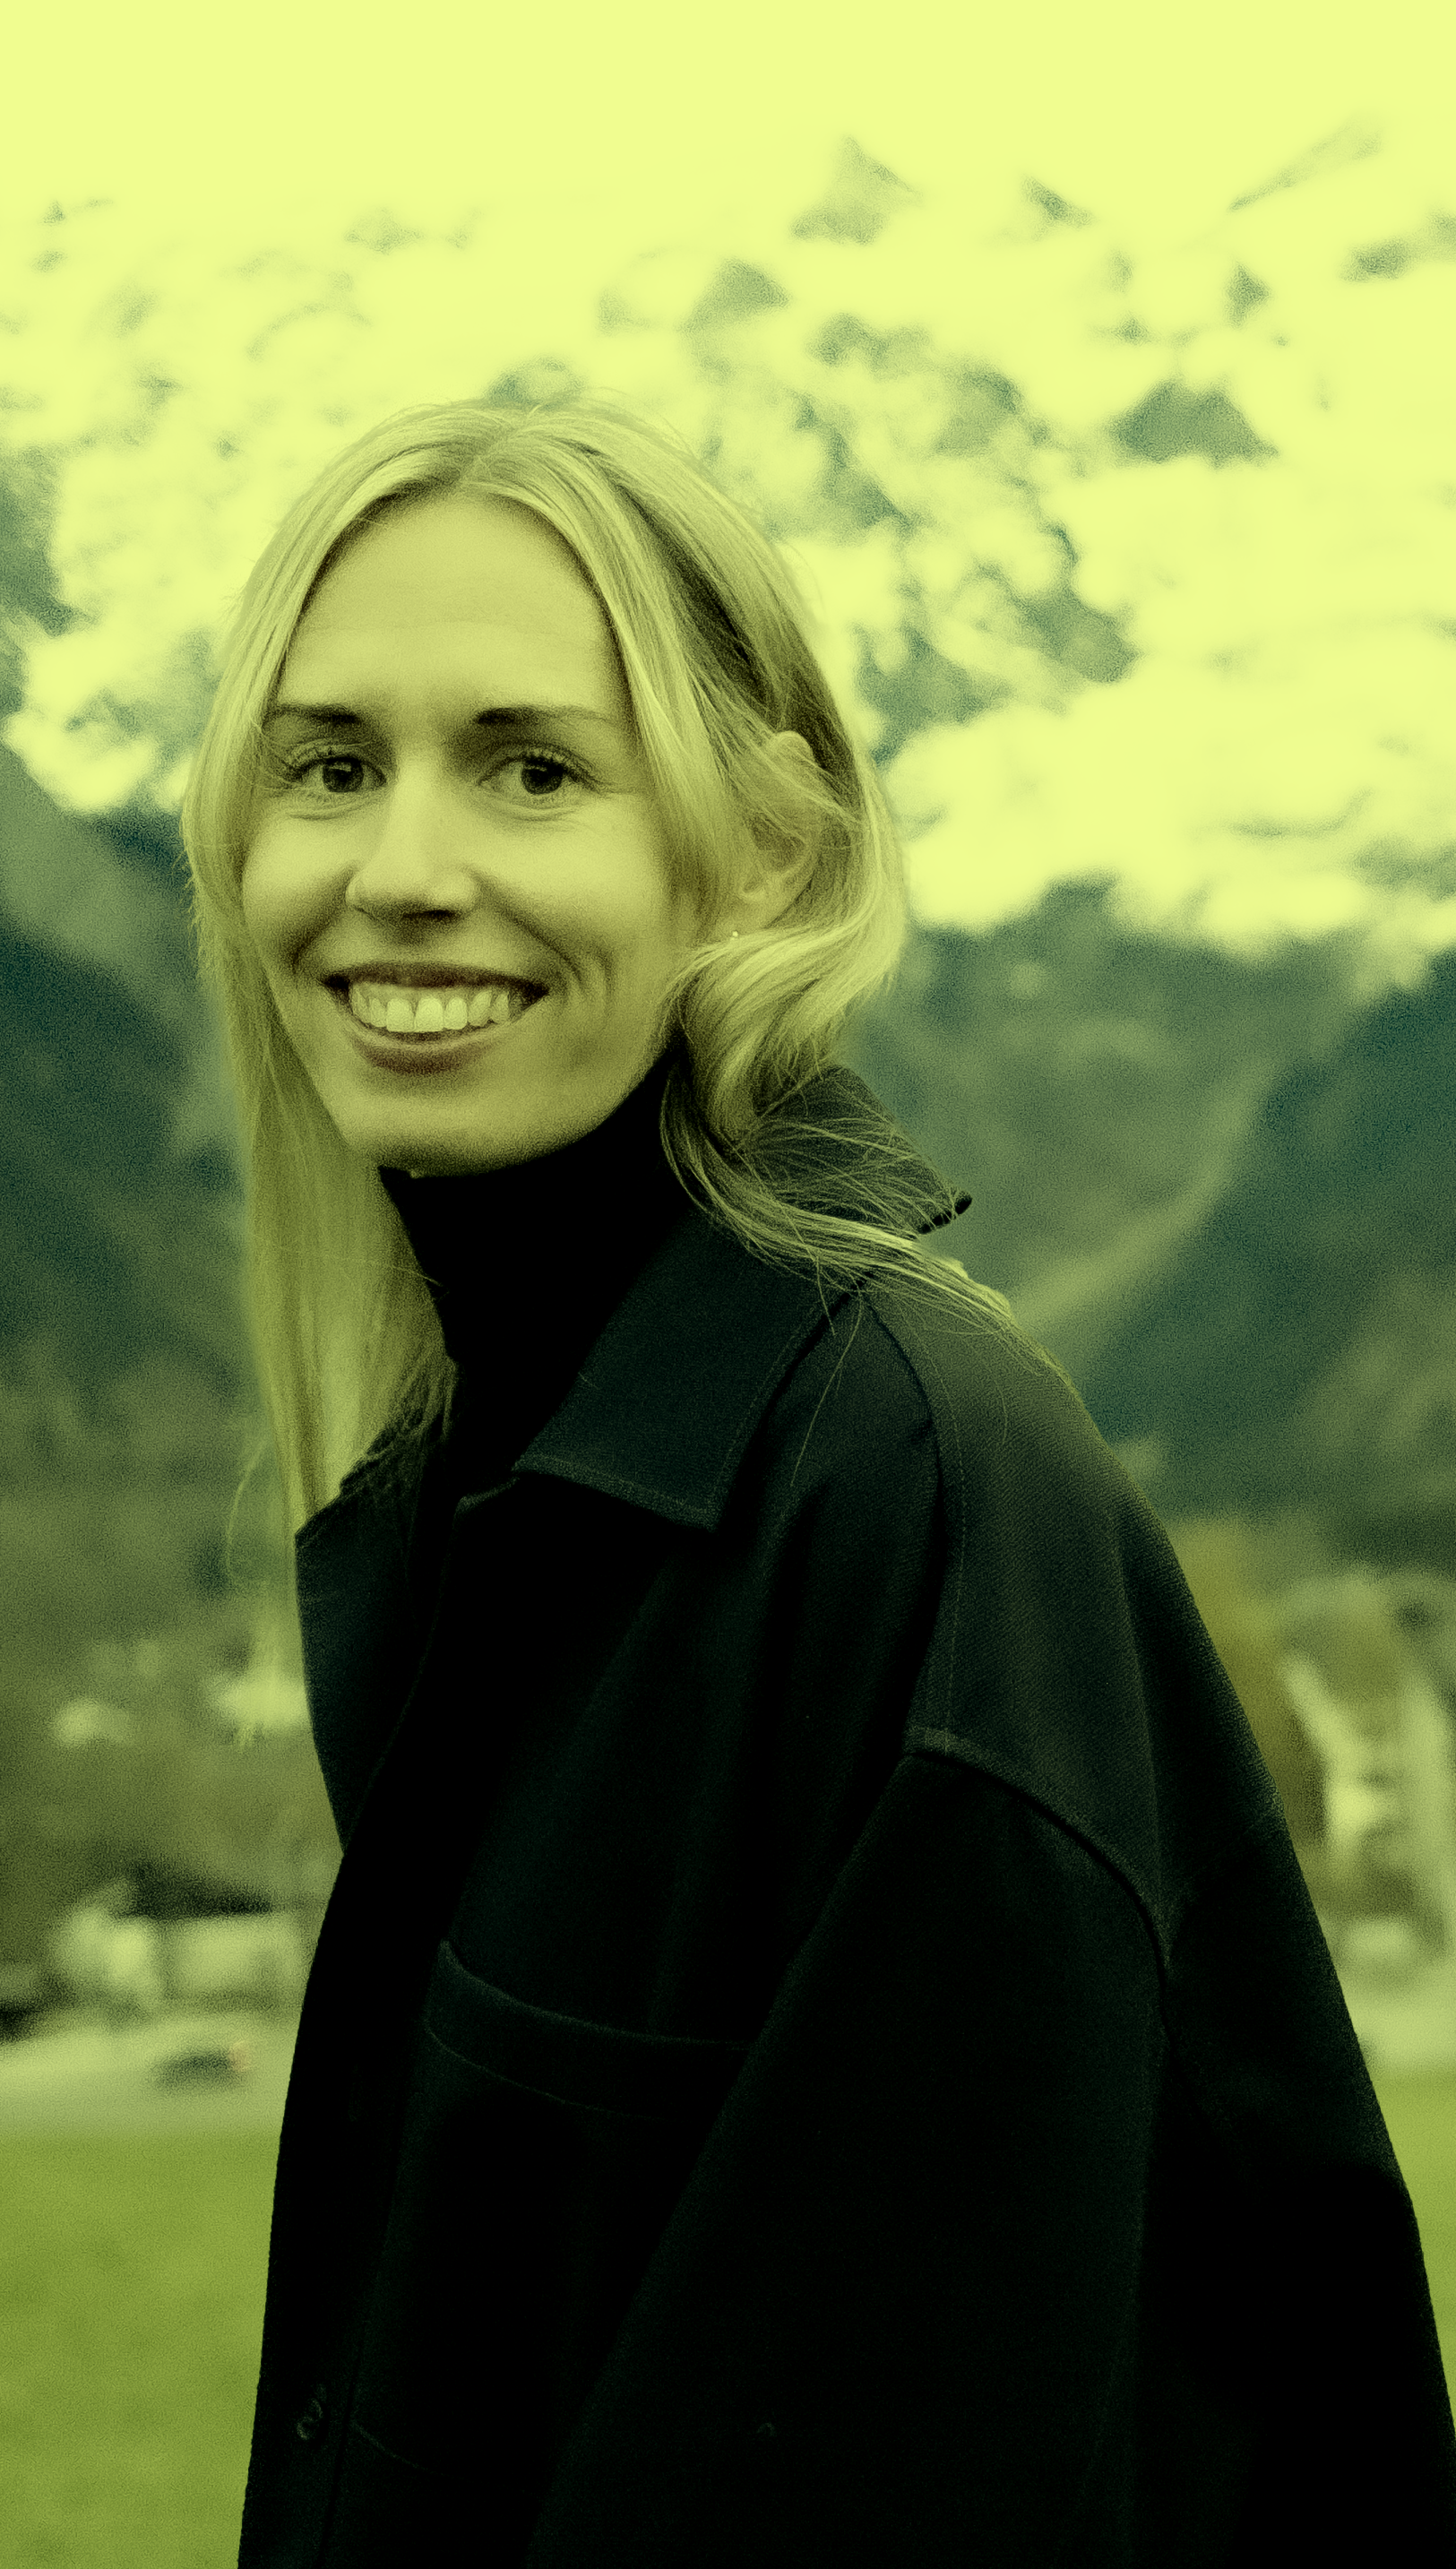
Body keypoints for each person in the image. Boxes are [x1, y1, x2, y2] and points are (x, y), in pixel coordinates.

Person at [179, 390, 1456, 2566]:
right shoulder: (500, 1482)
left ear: (763, 852)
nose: (399, 864)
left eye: (533, 767)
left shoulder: (910, 1511)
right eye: (329, 764)